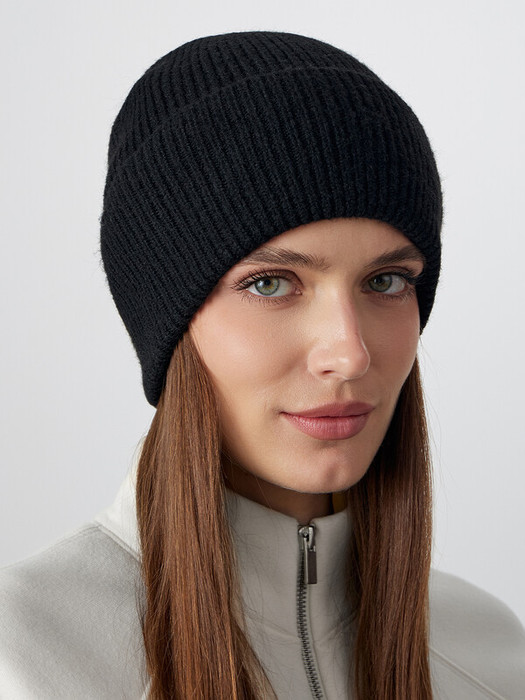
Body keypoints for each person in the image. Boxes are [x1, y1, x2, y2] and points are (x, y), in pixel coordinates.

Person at [1, 29, 524, 700]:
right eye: (271, 284)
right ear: (169, 322)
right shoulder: (25, 657)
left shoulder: (491, 655)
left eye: (386, 281)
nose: (349, 353)